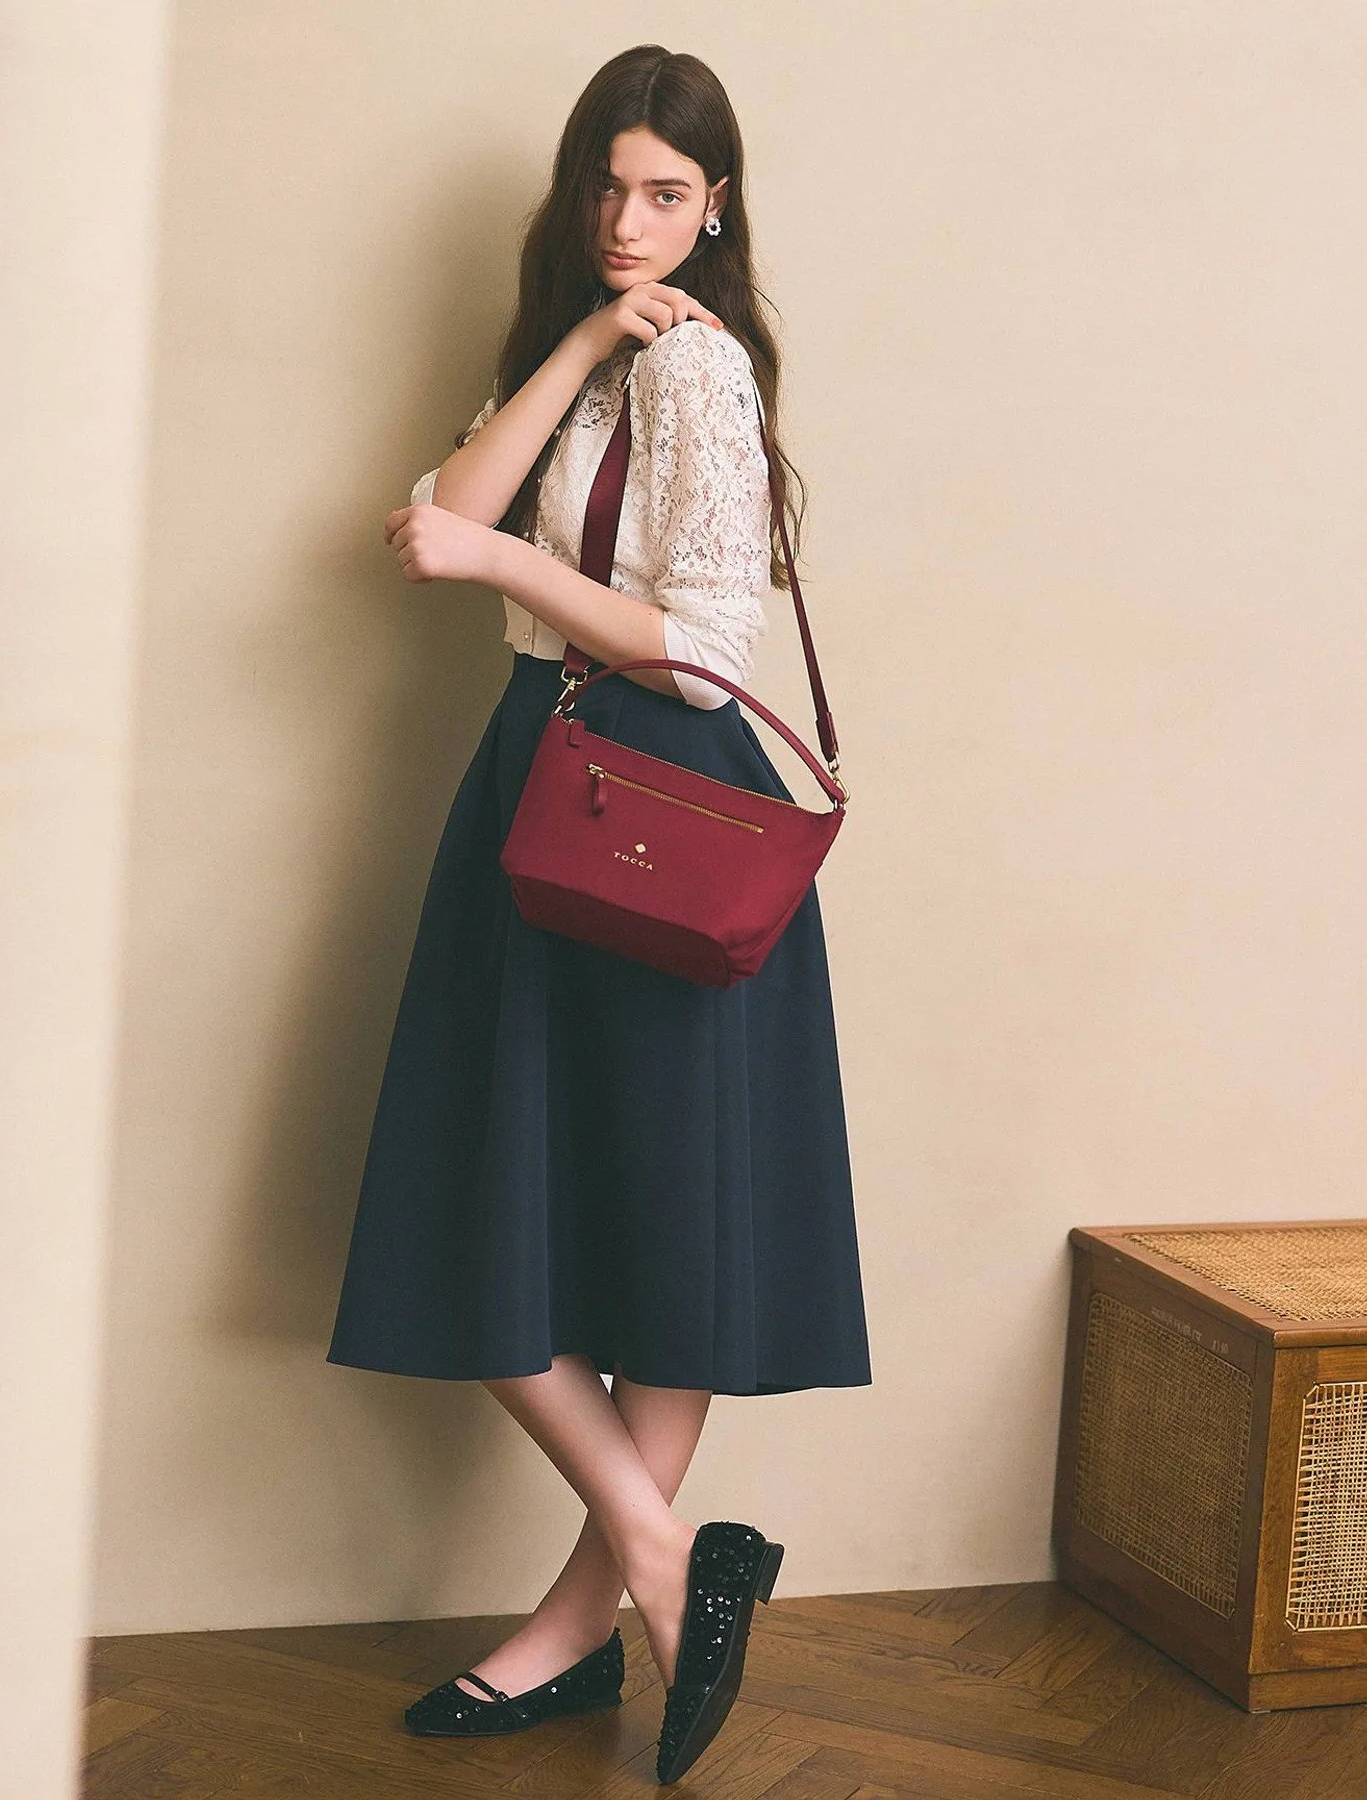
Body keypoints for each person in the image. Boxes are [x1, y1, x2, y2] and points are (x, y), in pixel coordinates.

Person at [326, 43, 872, 1784]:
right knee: (502, 1194)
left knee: (657, 1215)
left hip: (656, 800)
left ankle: (580, 1625)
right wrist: (575, 341)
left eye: (667, 195)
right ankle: (663, 1557)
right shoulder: (603, 354)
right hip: (545, 778)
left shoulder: (701, 374)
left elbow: (702, 657)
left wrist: (505, 563)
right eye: (608, 188)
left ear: (717, 207)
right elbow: (443, 513)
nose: (631, 222)